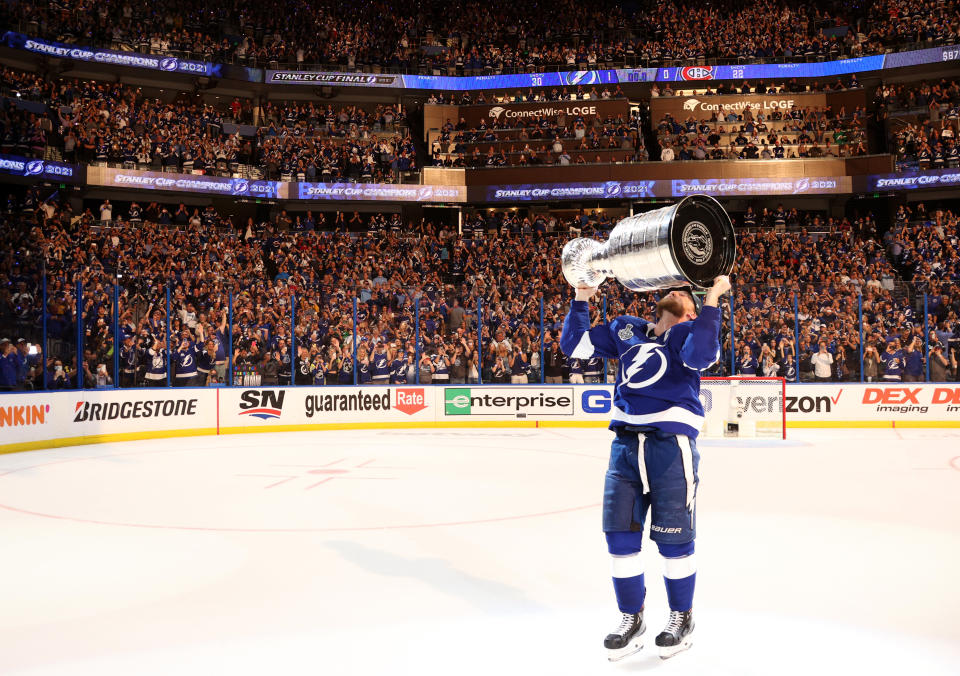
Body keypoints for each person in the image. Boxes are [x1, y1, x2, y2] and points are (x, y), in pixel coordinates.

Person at [560, 276, 730, 662]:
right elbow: (576, 345)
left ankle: (680, 619)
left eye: (686, 294)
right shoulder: (627, 328)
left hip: (669, 447)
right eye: (675, 289)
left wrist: (712, 300)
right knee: (620, 541)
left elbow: (701, 356)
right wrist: (581, 299)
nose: (676, 290)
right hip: (624, 445)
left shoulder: (689, 331)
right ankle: (630, 619)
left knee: (674, 542)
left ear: (690, 310)